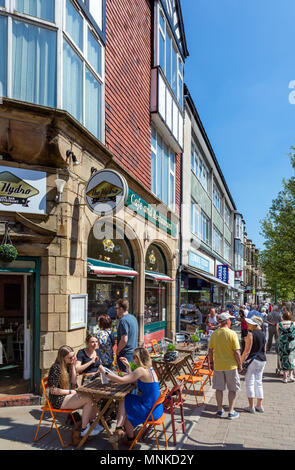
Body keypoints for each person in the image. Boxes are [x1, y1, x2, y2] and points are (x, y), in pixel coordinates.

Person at [98, 347, 163, 446]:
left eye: (134, 357)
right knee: (126, 399)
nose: (133, 359)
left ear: (139, 358)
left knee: (125, 401)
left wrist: (105, 372)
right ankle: (126, 435)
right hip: (156, 408)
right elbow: (134, 380)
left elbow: (122, 380)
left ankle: (121, 430)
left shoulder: (141, 370)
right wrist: (128, 367)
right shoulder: (150, 369)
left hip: (149, 409)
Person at [48, 345, 102, 437]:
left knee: (95, 396)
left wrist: (73, 366)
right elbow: (53, 390)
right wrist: (70, 392)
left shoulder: (68, 365)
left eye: (74, 356)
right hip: (58, 399)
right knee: (88, 399)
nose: (73, 358)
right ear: (62, 358)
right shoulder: (56, 368)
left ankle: (92, 422)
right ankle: (84, 429)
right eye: (70, 357)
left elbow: (73, 381)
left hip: (66, 396)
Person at [208, 312, 242, 420]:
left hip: (218, 365)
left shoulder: (214, 334)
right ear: (227, 321)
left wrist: (211, 363)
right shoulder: (232, 334)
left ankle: (219, 410)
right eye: (230, 320)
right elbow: (237, 352)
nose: (231, 321)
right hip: (230, 366)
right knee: (232, 389)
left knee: (219, 389)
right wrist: (240, 364)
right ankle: (231, 411)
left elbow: (210, 350)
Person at [241, 316, 267, 413]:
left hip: (252, 360)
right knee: (258, 382)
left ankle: (251, 406)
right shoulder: (263, 334)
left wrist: (241, 361)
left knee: (250, 383)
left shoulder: (250, 334)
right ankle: (259, 405)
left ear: (254, 324)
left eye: (249, 323)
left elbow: (247, 351)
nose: (248, 324)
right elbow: (264, 349)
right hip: (262, 360)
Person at [116, 299, 138, 372]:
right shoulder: (133, 318)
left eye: (117, 308)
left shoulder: (123, 320)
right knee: (132, 375)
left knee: (125, 377)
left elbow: (124, 339)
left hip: (125, 354)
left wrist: (118, 350)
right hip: (133, 351)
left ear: (121, 309)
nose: (116, 310)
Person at [277, 311, 295, 383]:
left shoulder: (279, 324)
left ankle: (285, 377)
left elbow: (279, 335)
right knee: (291, 358)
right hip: (291, 343)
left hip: (283, 343)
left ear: (283, 316)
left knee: (283, 358)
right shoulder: (293, 324)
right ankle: (291, 375)